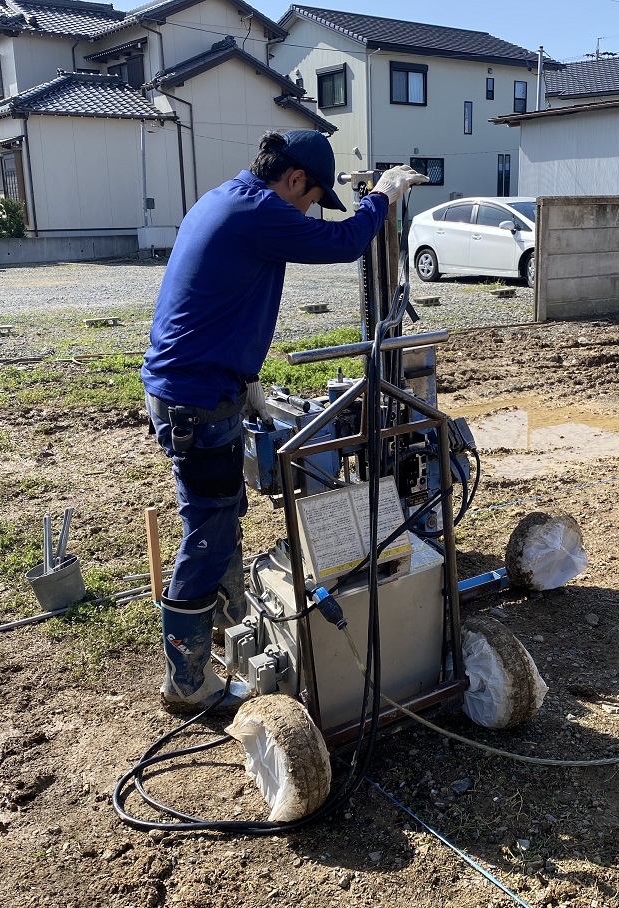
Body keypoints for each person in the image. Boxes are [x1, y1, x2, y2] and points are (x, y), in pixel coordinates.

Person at [141, 129, 427, 712]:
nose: (305, 212)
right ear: (295, 178)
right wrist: (385, 197)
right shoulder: (259, 210)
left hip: (195, 387)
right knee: (208, 528)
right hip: (196, 399)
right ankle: (188, 680)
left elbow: (215, 299)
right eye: (310, 198)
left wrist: (246, 382)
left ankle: (226, 624)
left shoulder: (226, 199)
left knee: (221, 512)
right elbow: (347, 242)